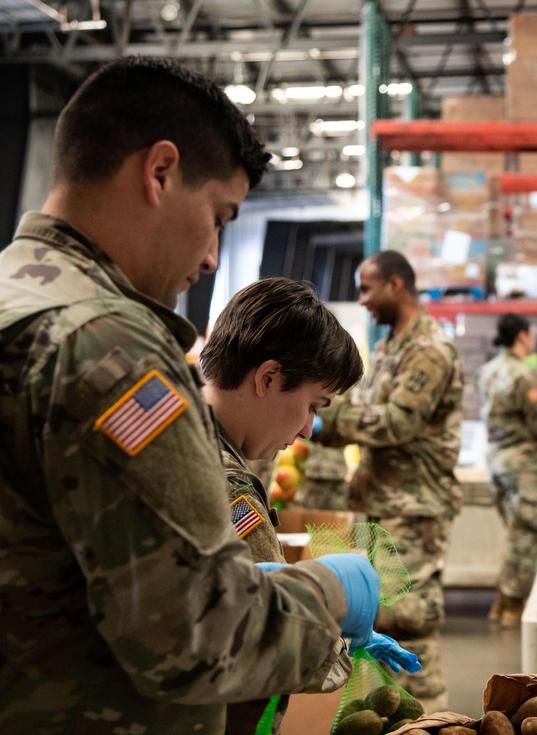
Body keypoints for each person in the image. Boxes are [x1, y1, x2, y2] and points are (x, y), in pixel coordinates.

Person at [0, 57, 384, 734]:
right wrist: (327, 596)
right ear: (159, 172)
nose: (212, 257)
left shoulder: (16, 301)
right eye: (219, 214)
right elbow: (196, 634)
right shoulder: (107, 346)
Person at [199, 277, 420, 734]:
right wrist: (335, 635)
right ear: (269, 378)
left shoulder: (183, 439)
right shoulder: (226, 482)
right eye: (313, 405)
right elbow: (269, 633)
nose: (306, 430)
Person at [314, 250, 464, 712]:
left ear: (396, 285)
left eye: (367, 288)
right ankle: (401, 719)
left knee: (410, 621)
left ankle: (433, 719)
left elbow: (397, 423)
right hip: (386, 504)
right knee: (385, 624)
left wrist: (329, 419)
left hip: (414, 508)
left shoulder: (429, 350)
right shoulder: (390, 347)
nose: (362, 301)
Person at [478, 314, 537, 627]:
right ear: (522, 336)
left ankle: (501, 602)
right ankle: (513, 606)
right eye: (531, 334)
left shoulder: (488, 371)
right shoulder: (525, 377)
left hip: (496, 462)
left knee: (514, 534)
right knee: (526, 536)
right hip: (524, 465)